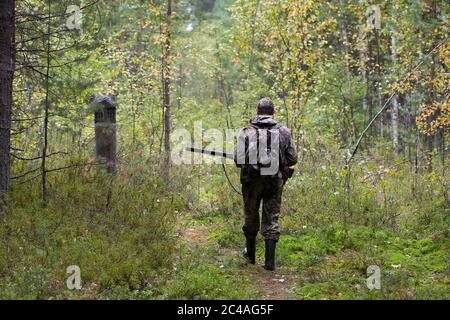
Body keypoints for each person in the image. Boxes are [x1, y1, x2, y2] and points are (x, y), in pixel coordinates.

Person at [234, 98, 298, 271]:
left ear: (257, 111)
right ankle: (269, 263)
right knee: (272, 217)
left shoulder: (246, 131)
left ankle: (250, 256)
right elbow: (293, 159)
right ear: (273, 112)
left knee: (251, 214)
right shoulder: (284, 132)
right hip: (273, 181)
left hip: (252, 182)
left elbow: (239, 161)